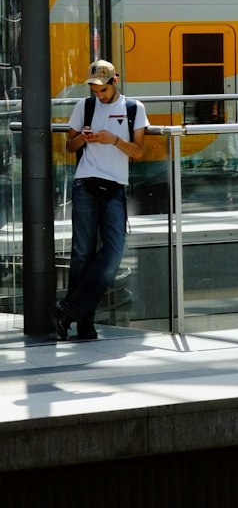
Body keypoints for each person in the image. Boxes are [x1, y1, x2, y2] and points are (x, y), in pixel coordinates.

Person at [56, 58, 147, 342]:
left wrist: (113, 140)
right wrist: (83, 139)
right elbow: (69, 146)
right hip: (85, 182)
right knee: (81, 253)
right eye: (94, 90)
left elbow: (139, 152)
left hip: (115, 187)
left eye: (103, 89)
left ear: (114, 82)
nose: (99, 94)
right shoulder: (84, 107)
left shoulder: (133, 108)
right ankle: (84, 323)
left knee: (113, 252)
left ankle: (67, 311)